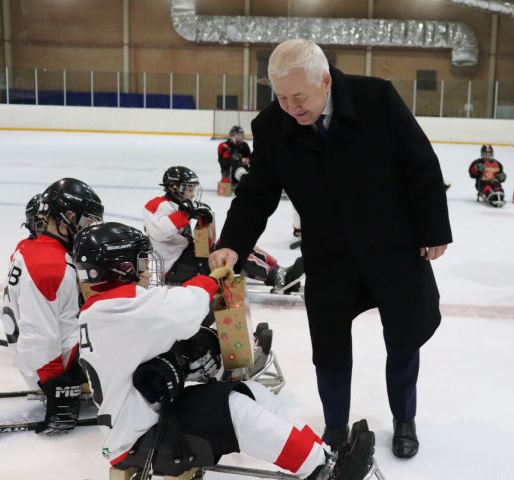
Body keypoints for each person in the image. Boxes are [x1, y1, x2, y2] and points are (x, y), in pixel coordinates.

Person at [209, 39, 451, 458]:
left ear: (325, 80)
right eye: (281, 97)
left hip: (393, 245)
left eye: (299, 97)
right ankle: (335, 427)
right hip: (329, 253)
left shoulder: (376, 99)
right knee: (331, 346)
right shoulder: (272, 127)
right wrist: (232, 244)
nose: (290, 107)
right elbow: (256, 195)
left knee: (403, 335)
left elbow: (420, 163)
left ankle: (404, 418)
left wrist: (433, 229)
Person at [74, 222, 376, 479]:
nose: (144, 267)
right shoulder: (121, 307)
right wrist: (209, 280)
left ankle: (324, 458)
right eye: (138, 260)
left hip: (142, 422)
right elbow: (185, 308)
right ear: (120, 266)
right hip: (139, 439)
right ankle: (323, 472)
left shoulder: (105, 309)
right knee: (237, 410)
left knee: (250, 392)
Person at [0, 178, 104, 435]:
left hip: (42, 357)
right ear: (68, 216)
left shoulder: (33, 247)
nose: (88, 228)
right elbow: (38, 335)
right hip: (54, 366)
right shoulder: (50, 266)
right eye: (86, 220)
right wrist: (57, 386)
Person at [144, 165, 303, 291]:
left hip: (184, 255)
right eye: (188, 189)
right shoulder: (157, 205)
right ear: (174, 187)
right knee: (229, 255)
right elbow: (160, 232)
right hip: (172, 266)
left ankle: (277, 270)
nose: (192, 194)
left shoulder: (177, 204)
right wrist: (186, 213)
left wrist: (201, 218)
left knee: (237, 245)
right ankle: (277, 278)